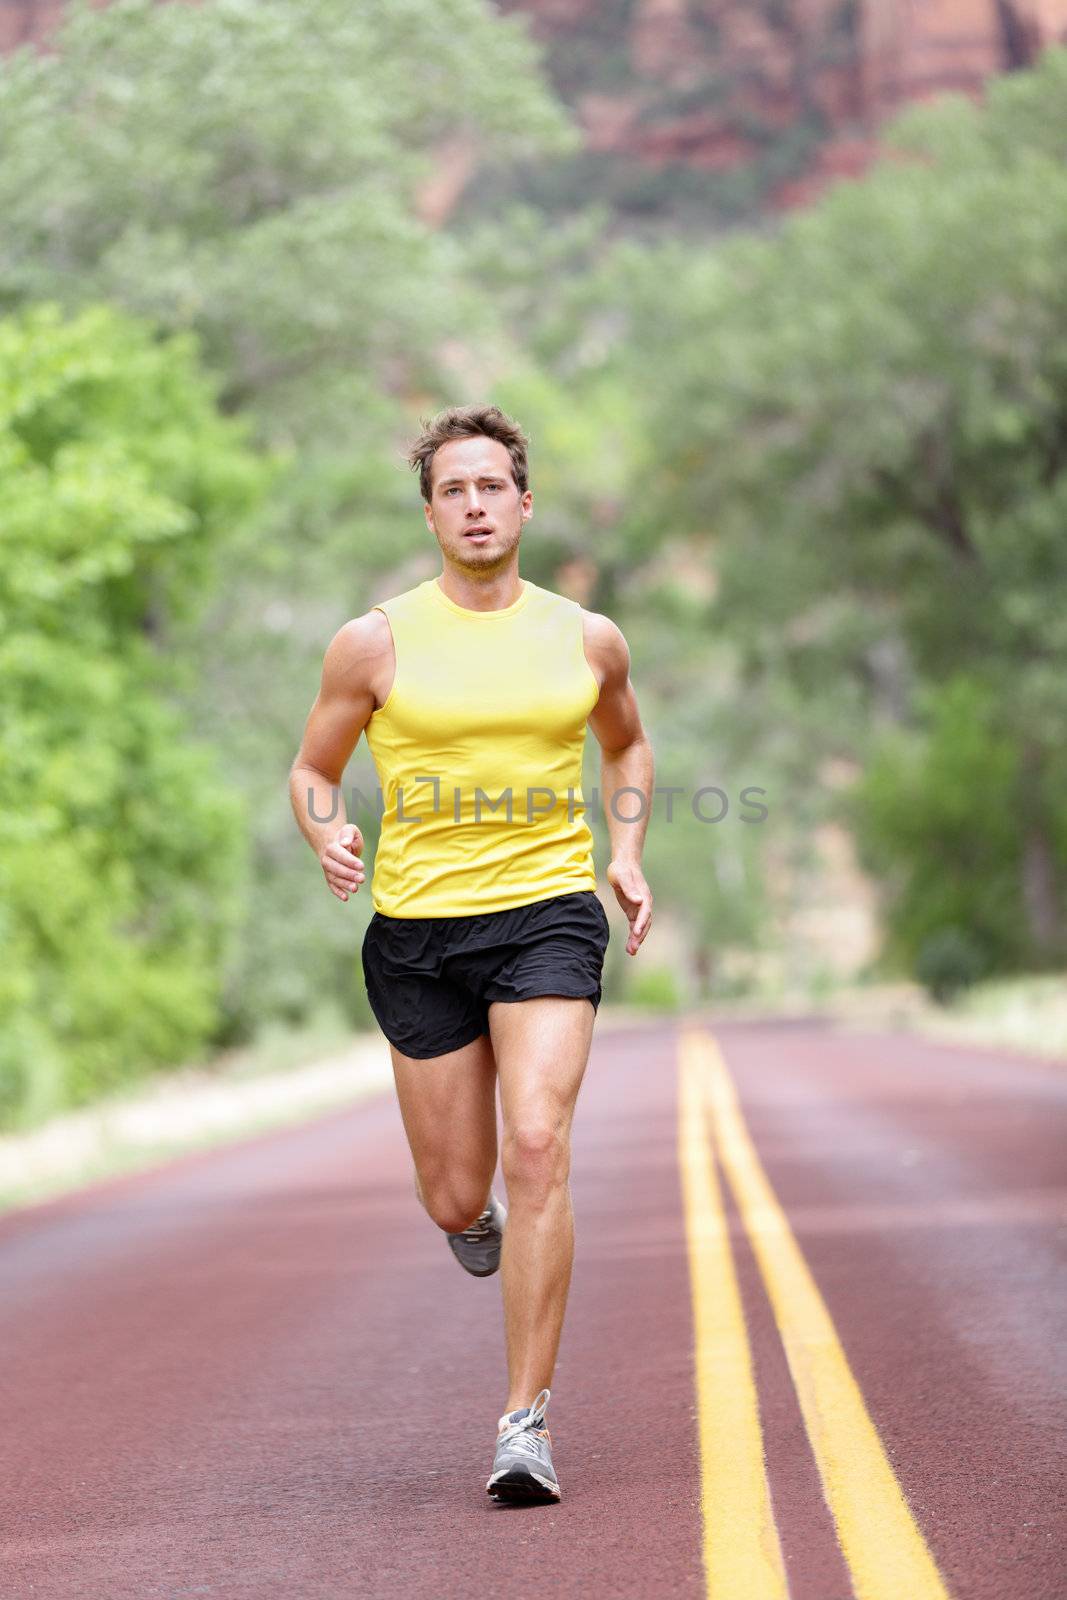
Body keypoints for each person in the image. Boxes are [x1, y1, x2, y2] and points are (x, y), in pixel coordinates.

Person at [289, 404, 653, 1504]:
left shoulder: (584, 636)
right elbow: (312, 768)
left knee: (535, 1140)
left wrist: (624, 848)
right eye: (454, 489)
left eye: (492, 485)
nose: (476, 505)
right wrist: (327, 829)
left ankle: (523, 1421)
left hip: (545, 911)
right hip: (417, 933)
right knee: (456, 1193)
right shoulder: (375, 642)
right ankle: (471, 1216)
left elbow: (625, 739)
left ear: (524, 502)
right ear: (431, 511)